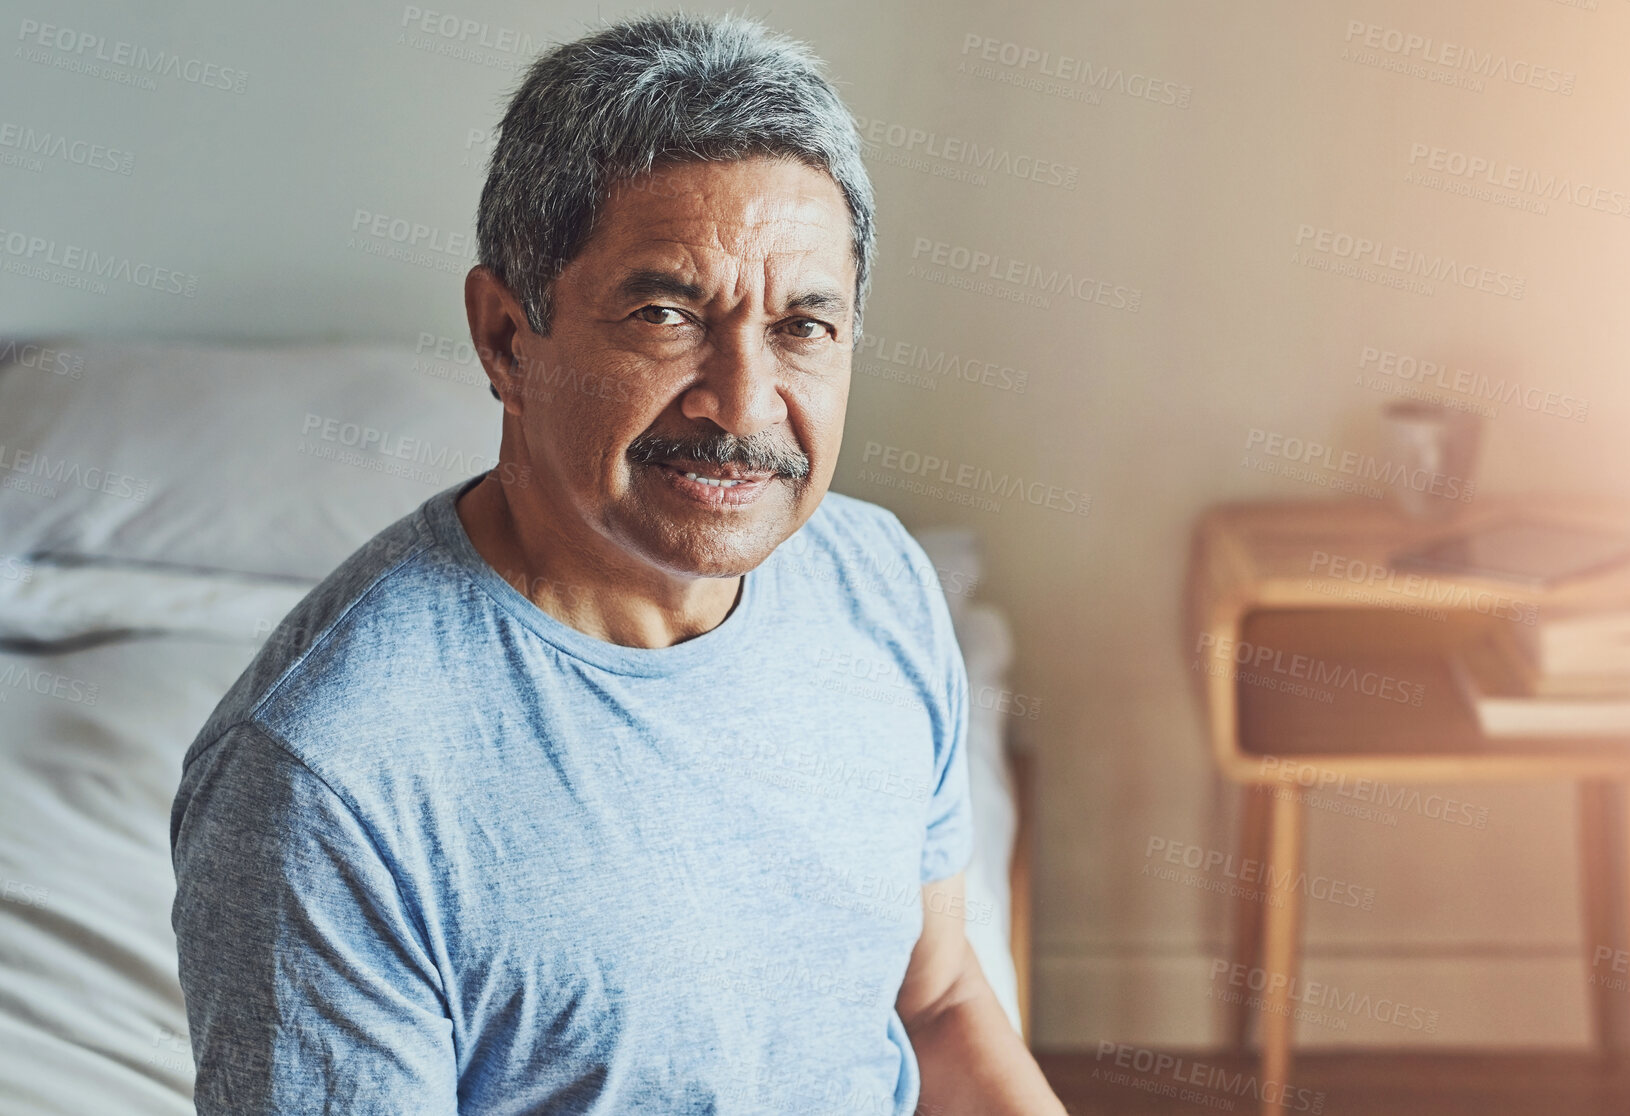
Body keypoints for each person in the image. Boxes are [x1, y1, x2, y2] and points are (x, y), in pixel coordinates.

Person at [169, 12, 1068, 1115]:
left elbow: (933, 1008)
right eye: (664, 314)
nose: (742, 403)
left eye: (802, 327)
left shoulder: (877, 580)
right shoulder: (327, 773)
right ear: (506, 338)